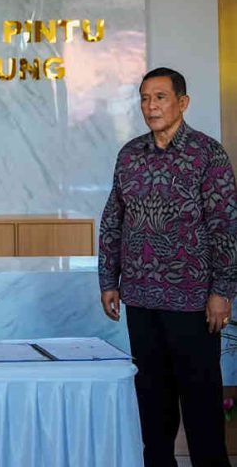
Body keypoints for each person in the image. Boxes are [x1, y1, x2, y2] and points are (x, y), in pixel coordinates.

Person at [99, 67, 236, 467]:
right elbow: (113, 220)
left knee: (201, 408)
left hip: (193, 303)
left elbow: (225, 225)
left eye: (160, 97)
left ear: (182, 102)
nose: (151, 106)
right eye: (144, 98)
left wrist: (222, 291)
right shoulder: (130, 155)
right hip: (141, 300)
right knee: (153, 409)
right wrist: (109, 279)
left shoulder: (208, 154)